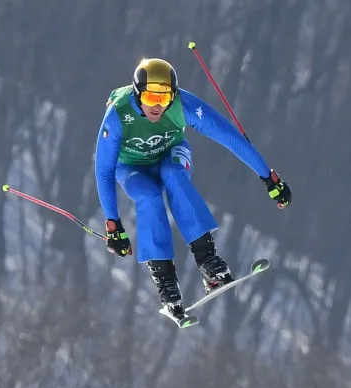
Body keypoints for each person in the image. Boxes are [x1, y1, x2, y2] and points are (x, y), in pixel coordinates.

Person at [94, 57, 291, 320]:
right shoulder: (118, 114)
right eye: (151, 98)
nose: (157, 107)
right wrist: (113, 224)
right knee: (148, 195)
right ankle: (166, 283)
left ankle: (208, 261)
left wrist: (269, 178)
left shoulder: (181, 105)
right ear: (137, 92)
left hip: (171, 154)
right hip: (131, 166)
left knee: (173, 173)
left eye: (164, 99)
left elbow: (229, 137)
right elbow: (104, 170)